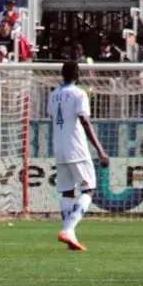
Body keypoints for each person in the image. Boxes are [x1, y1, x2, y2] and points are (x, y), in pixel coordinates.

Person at [46, 61, 108, 252]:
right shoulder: (79, 94)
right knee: (88, 189)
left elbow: (52, 120)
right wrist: (100, 150)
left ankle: (70, 235)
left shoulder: (53, 95)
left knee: (67, 191)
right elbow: (85, 121)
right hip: (77, 148)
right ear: (78, 75)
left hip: (59, 148)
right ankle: (68, 229)